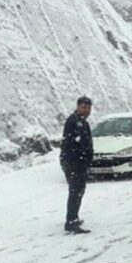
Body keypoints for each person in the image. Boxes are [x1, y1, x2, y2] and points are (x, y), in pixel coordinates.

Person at [60, 96, 94, 233]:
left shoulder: (81, 122)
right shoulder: (75, 122)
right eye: (84, 107)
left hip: (78, 162)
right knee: (75, 191)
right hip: (74, 162)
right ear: (78, 106)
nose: (86, 110)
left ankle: (74, 217)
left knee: (78, 191)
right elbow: (73, 144)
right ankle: (71, 222)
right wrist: (81, 159)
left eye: (88, 108)